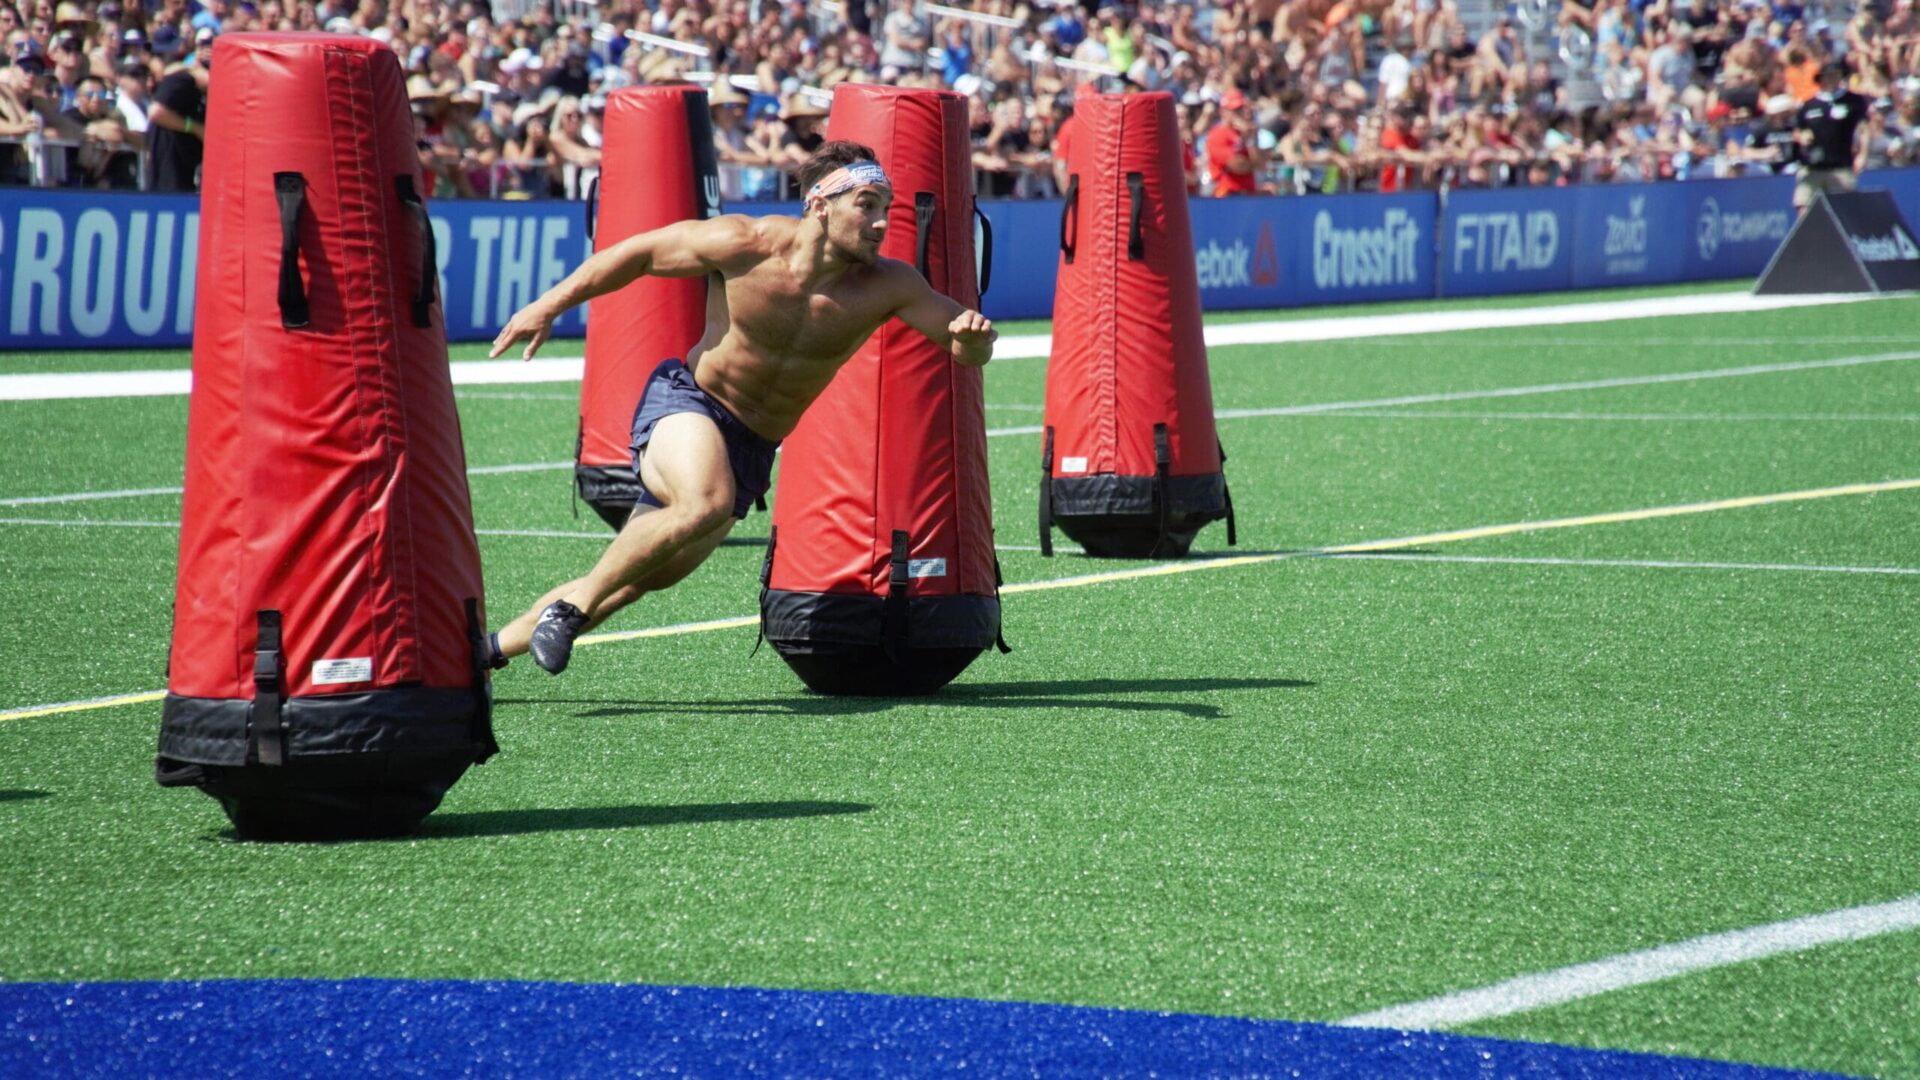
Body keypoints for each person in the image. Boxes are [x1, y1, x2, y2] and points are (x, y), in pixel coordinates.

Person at [486, 141, 998, 674]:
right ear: (820, 205)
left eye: (886, 209)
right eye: (866, 204)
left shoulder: (890, 284)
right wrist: (547, 306)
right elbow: (635, 254)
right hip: (689, 405)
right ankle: (568, 611)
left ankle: (486, 650)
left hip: (751, 449)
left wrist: (975, 339)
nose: (880, 223)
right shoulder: (744, 242)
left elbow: (962, 348)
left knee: (635, 577)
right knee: (704, 501)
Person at [1792, 60, 1867, 211]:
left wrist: (1862, 154)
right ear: (1821, 78)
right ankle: (1808, 234)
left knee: (1845, 210)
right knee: (1803, 205)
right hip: (1812, 166)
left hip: (1841, 165)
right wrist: (1802, 136)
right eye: (1828, 76)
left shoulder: (1854, 101)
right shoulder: (1809, 105)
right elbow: (1798, 130)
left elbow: (1863, 129)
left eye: (1835, 75)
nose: (1832, 79)